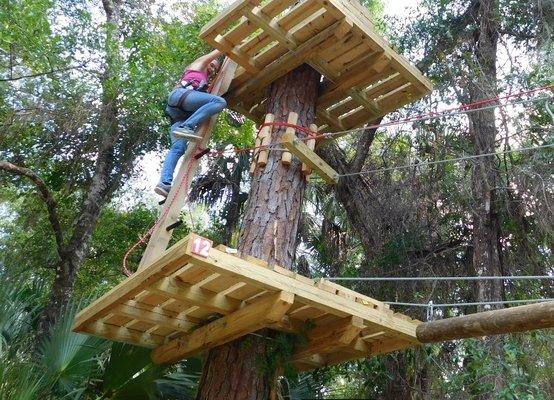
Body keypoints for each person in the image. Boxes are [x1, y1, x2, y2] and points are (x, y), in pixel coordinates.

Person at [155, 49, 226, 197]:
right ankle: (187, 126)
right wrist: (230, 46)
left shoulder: (203, 84)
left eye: (215, 68)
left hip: (179, 116)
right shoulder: (196, 66)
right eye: (211, 64)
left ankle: (164, 183)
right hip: (180, 97)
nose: (212, 68)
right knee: (220, 102)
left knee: (178, 149)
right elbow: (217, 51)